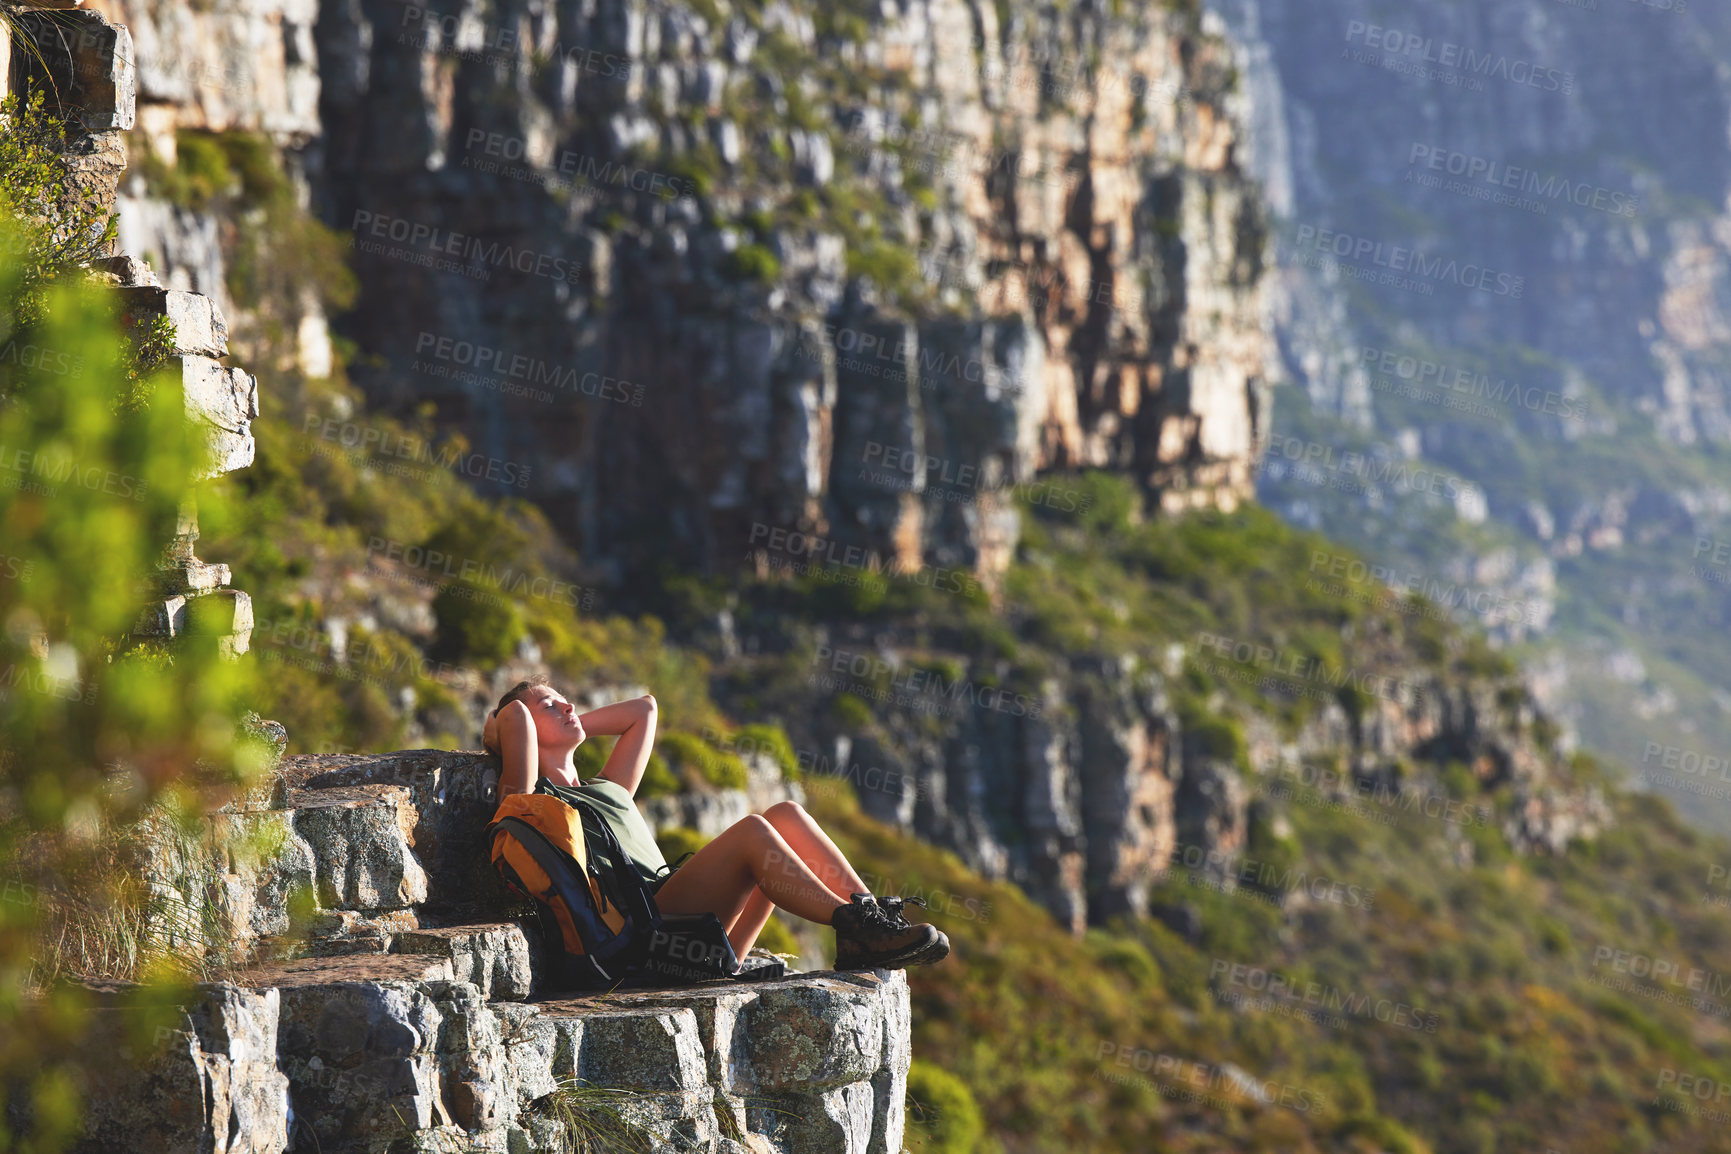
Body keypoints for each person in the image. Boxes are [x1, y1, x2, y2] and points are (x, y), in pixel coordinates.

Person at [481, 677, 949, 970]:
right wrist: (508, 718)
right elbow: (516, 717)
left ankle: (870, 919)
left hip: (688, 932)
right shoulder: (531, 799)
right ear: (517, 727)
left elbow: (644, 709)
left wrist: (566, 718)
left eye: (566, 700)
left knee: (784, 814)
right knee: (751, 833)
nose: (567, 706)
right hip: (646, 932)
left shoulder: (610, 787)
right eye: (549, 706)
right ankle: (855, 929)